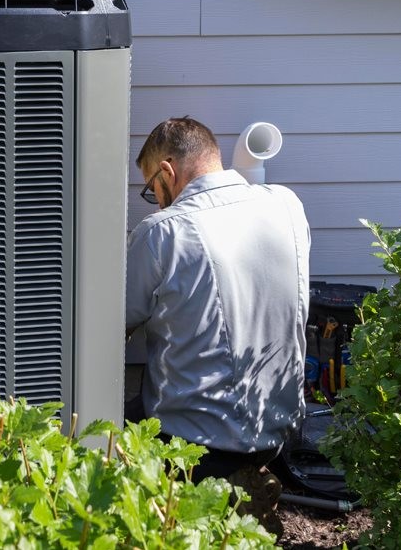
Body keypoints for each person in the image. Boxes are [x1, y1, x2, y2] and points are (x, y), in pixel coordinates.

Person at [125, 116, 310, 528]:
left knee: (109, 432)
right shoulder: (286, 205)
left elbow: (114, 324)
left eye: (151, 189)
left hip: (195, 444)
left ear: (167, 171)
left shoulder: (163, 231)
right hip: (277, 431)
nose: (155, 201)